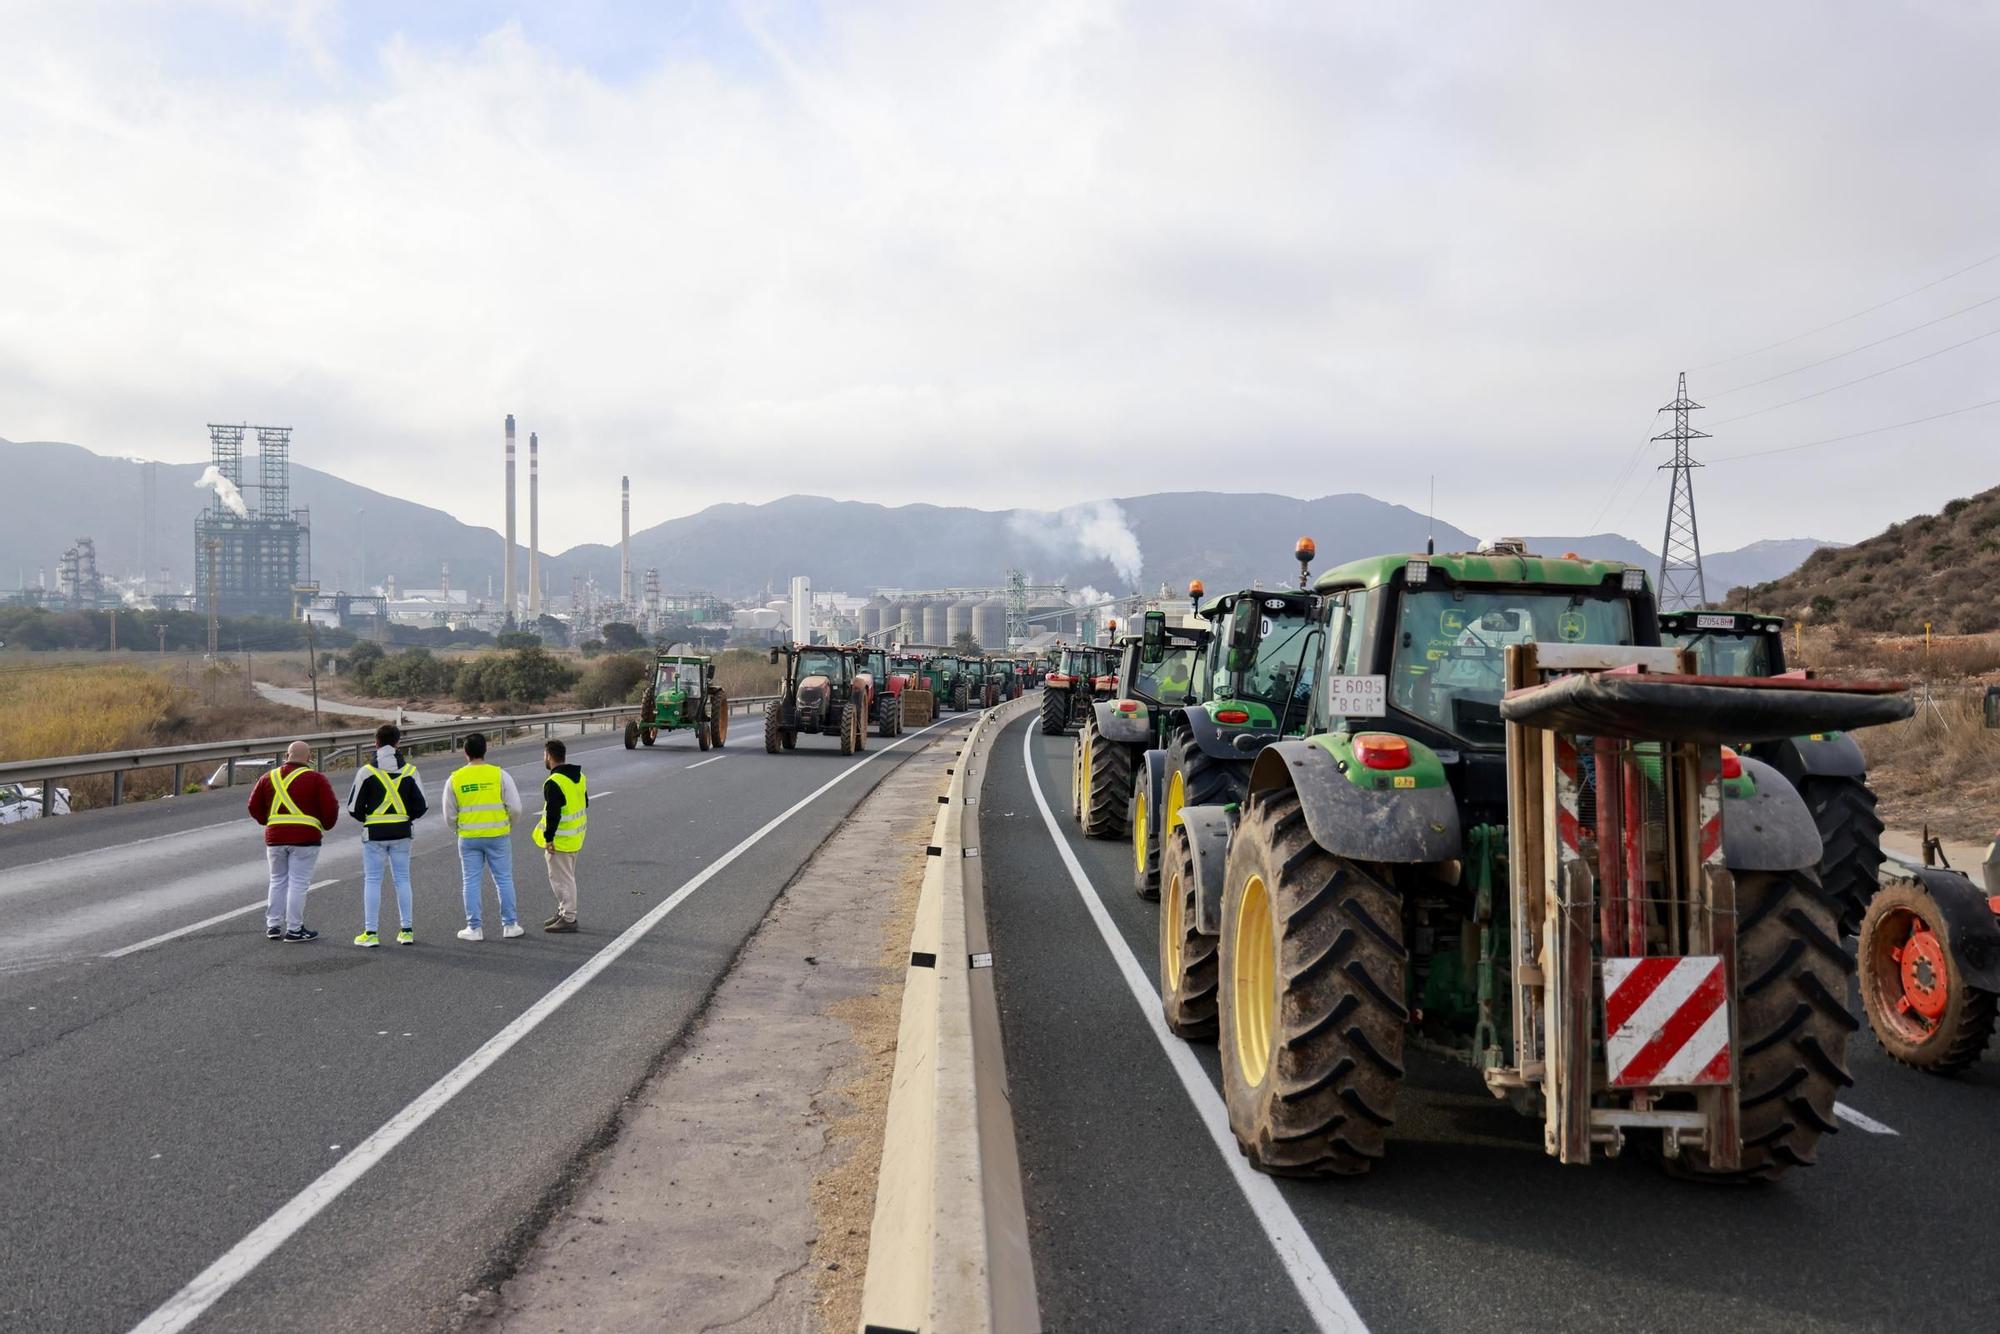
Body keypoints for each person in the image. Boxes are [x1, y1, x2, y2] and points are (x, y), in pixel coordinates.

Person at [247, 740, 340, 942]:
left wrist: (268, 821)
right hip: (306, 839)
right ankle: (295, 929)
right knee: (298, 883)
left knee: (277, 880)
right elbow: (331, 808)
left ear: (286, 755)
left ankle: (272, 926)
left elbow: (253, 806)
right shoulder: (316, 779)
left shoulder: (267, 778)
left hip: (275, 839)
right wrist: (325, 825)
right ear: (309, 758)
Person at [347, 722, 429, 947]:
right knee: (402, 879)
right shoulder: (410, 771)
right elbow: (422, 806)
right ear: (397, 743)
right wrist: (405, 818)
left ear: (376, 743)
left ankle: (371, 933)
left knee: (373, 880)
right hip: (402, 832)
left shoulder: (366, 772)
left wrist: (370, 819)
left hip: (374, 833)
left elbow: (353, 808)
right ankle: (407, 930)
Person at [444, 733, 522, 941]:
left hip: (469, 838)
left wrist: (458, 830)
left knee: (470, 881)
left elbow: (449, 814)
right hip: (498, 835)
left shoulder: (455, 778)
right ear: (485, 750)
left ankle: (474, 928)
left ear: (465, 753)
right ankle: (510, 925)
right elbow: (515, 807)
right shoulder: (499, 775)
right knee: (504, 879)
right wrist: (508, 825)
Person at [532, 737, 588, 932]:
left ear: (549, 756)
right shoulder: (579, 777)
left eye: (544, 755)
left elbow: (553, 814)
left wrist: (549, 839)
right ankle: (563, 911)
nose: (544, 759)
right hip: (576, 836)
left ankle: (569, 918)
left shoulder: (553, 782)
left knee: (562, 880)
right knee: (566, 877)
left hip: (561, 841)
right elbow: (584, 803)